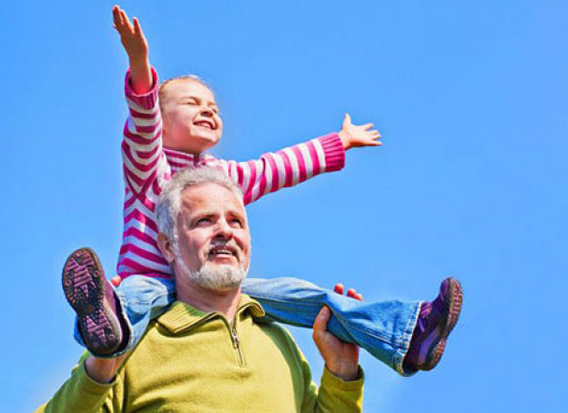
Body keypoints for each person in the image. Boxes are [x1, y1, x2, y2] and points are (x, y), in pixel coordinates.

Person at [63, 5, 461, 377]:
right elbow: (143, 124)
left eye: (214, 107)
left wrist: (338, 142)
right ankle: (105, 321)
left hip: (213, 284)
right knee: (134, 294)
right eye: (192, 103)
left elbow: (277, 167)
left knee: (308, 295)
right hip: (152, 282)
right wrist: (139, 68)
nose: (208, 111)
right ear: (164, 121)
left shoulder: (223, 175)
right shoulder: (148, 167)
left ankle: (406, 335)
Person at [39, 167, 368, 412]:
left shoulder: (279, 342)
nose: (225, 230)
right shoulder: (133, 344)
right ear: (168, 246)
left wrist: (342, 372)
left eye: (236, 221)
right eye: (204, 221)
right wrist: (99, 369)